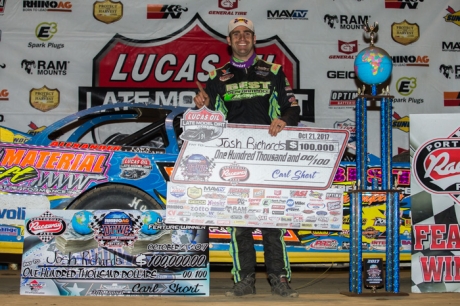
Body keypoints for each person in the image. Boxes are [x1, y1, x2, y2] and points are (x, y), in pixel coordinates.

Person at [193, 17, 300, 298]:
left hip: (269, 159)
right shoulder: (217, 77)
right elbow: (210, 123)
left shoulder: (274, 71)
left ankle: (279, 279)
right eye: (236, 34)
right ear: (229, 41)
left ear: (254, 39)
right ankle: (244, 280)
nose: (242, 37)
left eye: (247, 33)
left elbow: (293, 107)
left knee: (272, 222)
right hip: (233, 161)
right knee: (238, 222)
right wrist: (201, 108)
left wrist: (285, 121)